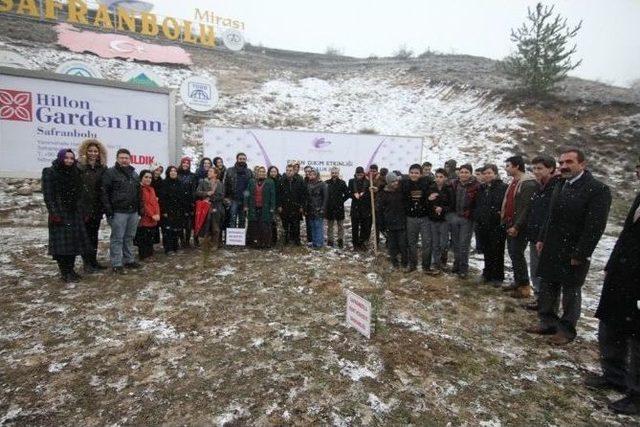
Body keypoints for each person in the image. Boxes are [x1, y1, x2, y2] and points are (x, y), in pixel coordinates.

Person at [526, 148, 611, 345]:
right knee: (548, 286)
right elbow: (551, 216)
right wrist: (542, 238)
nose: (564, 166)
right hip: (552, 245)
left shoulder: (597, 189)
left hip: (573, 249)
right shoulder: (560, 184)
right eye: (562, 162)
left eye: (569, 162)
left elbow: (595, 226)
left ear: (582, 164)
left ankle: (566, 330)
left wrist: (581, 253)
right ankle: (547, 322)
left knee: (571, 291)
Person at [585, 167, 640, 415]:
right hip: (623, 275)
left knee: (637, 337)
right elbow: (627, 237)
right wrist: (611, 265)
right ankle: (614, 375)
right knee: (611, 324)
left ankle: (636, 394)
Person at [42, 149, 92, 282]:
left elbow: (81, 193)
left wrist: (84, 211)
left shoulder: (76, 172)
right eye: (66, 158)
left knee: (74, 244)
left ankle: (71, 270)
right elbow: (48, 196)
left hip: (75, 212)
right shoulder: (50, 172)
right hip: (60, 213)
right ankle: (65, 271)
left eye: (71, 158)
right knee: (62, 246)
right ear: (60, 158)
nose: (69, 160)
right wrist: (54, 213)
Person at [523, 155, 560, 310]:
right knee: (536, 269)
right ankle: (539, 298)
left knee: (545, 272)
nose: (536, 171)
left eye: (540, 168)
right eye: (534, 168)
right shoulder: (540, 186)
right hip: (535, 234)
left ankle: (548, 304)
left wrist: (543, 236)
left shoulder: (556, 187)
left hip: (546, 237)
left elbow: (551, 215)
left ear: (551, 169)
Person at [501, 155, 538, 298]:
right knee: (513, 253)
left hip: (519, 226)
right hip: (510, 222)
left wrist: (517, 226)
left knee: (517, 253)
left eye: (508, 165)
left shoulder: (528, 183)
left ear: (517, 166)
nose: (506, 168)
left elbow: (526, 208)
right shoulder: (514, 181)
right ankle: (518, 281)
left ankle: (524, 286)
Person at [101, 148, 141, 274]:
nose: (124, 160)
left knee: (129, 237)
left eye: (126, 158)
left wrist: (139, 209)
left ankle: (129, 260)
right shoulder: (110, 173)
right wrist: (108, 210)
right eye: (122, 158)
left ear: (130, 159)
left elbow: (138, 193)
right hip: (118, 212)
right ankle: (117, 263)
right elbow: (104, 192)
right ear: (117, 159)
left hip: (133, 212)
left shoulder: (134, 174)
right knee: (117, 238)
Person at [473, 164, 508, 286]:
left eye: (489, 173)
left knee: (497, 251)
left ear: (495, 173)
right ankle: (487, 273)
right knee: (487, 250)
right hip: (483, 224)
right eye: (485, 173)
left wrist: (499, 215)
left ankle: (498, 277)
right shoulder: (482, 188)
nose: (487, 175)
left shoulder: (503, 187)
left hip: (496, 224)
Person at [77, 138, 108, 272]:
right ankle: (87, 263)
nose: (93, 153)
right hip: (84, 207)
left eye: (95, 151)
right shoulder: (79, 167)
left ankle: (93, 261)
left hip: (96, 207)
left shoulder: (102, 168)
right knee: (86, 236)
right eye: (90, 151)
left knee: (94, 235)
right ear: (85, 151)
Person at [448, 163, 479, 279]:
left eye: (466, 172)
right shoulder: (454, 184)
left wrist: (471, 214)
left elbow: (477, 203)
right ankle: (456, 264)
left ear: (471, 173)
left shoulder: (476, 186)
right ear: (458, 173)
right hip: (455, 216)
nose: (464, 174)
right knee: (455, 243)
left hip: (467, 218)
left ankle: (463, 268)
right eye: (462, 172)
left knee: (464, 244)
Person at [402, 163, 431, 273]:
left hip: (424, 217)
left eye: (416, 173)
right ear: (409, 173)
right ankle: (412, 264)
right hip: (411, 218)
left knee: (427, 242)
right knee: (411, 242)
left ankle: (426, 266)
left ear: (421, 174)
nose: (414, 175)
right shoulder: (404, 184)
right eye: (412, 173)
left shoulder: (427, 183)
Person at [426, 168, 454, 274]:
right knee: (435, 242)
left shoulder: (449, 189)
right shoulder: (431, 188)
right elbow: (426, 203)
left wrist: (442, 208)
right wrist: (429, 200)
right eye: (437, 176)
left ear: (445, 178)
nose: (438, 179)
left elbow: (451, 205)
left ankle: (443, 261)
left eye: (441, 177)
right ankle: (435, 263)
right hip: (433, 219)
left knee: (444, 243)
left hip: (444, 220)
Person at [158, 166, 189, 255]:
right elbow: (162, 198)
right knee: (168, 231)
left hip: (178, 211)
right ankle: (168, 249)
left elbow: (183, 197)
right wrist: (164, 211)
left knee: (177, 230)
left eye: (175, 171)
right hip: (167, 211)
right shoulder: (164, 183)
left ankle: (175, 247)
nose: (173, 172)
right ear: (168, 172)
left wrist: (184, 209)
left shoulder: (180, 183)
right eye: (171, 171)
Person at [379, 172, 407, 268]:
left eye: (396, 181)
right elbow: (380, 210)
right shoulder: (383, 194)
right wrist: (382, 225)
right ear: (388, 183)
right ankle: (394, 262)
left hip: (401, 221)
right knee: (392, 245)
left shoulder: (401, 190)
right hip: (390, 223)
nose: (395, 183)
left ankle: (404, 262)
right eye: (392, 182)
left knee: (403, 244)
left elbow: (406, 178)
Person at [246, 166, 276, 248]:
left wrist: (272, 207)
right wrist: (246, 205)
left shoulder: (270, 182)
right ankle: (255, 243)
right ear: (257, 173)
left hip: (265, 207)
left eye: (263, 172)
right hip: (253, 207)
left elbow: (272, 195)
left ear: (265, 173)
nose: (261, 173)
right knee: (254, 225)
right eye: (260, 171)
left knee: (265, 226)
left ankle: (265, 243)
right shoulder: (251, 181)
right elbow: (247, 193)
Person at [195, 167, 225, 248]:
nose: (208, 172)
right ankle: (206, 244)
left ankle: (215, 243)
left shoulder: (220, 184)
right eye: (208, 171)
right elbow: (197, 192)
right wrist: (207, 193)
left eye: (211, 171)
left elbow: (222, 196)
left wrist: (211, 198)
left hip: (217, 207)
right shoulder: (203, 182)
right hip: (205, 207)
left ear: (215, 174)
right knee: (205, 225)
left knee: (215, 226)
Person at [278, 164, 307, 246]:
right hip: (285, 207)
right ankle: (286, 240)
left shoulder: (299, 180)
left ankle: (297, 240)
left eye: (290, 170)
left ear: (294, 171)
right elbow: (279, 194)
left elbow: (303, 194)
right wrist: (279, 205)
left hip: (296, 207)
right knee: (286, 225)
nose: (289, 172)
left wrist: (302, 206)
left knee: (296, 225)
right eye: (287, 170)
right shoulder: (282, 180)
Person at [134, 170, 160, 260]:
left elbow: (155, 203)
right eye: (146, 177)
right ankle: (144, 255)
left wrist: (157, 213)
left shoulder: (151, 189)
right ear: (141, 177)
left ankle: (149, 254)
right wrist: (151, 215)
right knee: (144, 237)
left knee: (150, 237)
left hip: (153, 218)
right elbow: (144, 204)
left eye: (150, 177)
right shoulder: (140, 189)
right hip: (145, 217)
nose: (148, 179)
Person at [224, 152, 253, 228]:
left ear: (246, 160)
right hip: (233, 199)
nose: (242, 160)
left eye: (244, 159)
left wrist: (249, 200)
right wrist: (226, 198)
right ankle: (232, 239)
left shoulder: (249, 172)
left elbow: (251, 188)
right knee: (232, 219)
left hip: (244, 201)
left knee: (242, 220)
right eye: (240, 159)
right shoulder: (229, 170)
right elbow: (225, 185)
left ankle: (241, 239)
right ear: (237, 159)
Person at [348, 166, 373, 251]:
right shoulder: (351, 181)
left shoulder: (368, 182)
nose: (359, 176)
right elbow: (349, 192)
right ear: (355, 174)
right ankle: (355, 244)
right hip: (355, 207)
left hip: (365, 208)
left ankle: (362, 243)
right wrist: (354, 195)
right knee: (354, 227)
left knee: (364, 227)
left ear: (363, 174)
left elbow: (370, 195)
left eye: (361, 174)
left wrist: (363, 195)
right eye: (358, 175)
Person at [325, 167, 350, 248]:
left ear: (338, 173)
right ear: (330, 174)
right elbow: (324, 195)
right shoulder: (326, 183)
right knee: (330, 226)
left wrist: (341, 201)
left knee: (340, 226)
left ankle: (340, 240)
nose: (334, 174)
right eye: (333, 173)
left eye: (336, 173)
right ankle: (330, 241)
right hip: (330, 207)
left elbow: (347, 194)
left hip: (339, 207)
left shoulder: (342, 183)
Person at [306, 168, 328, 249]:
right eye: (310, 174)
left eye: (313, 174)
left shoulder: (322, 184)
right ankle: (314, 243)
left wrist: (322, 208)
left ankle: (319, 244)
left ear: (317, 175)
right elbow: (307, 198)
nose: (311, 176)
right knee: (312, 226)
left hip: (319, 209)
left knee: (318, 226)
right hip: (310, 209)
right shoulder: (308, 184)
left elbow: (325, 198)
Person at [177, 157, 197, 248]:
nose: (185, 164)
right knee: (180, 223)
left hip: (189, 202)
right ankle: (181, 240)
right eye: (184, 163)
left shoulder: (193, 176)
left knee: (188, 224)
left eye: (187, 163)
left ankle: (188, 241)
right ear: (181, 164)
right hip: (179, 202)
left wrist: (193, 201)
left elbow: (193, 190)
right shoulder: (176, 174)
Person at [268, 166, 281, 245]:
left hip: (277, 205)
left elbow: (281, 195)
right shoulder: (267, 181)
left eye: (275, 171)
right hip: (268, 205)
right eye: (272, 171)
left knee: (275, 223)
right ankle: (269, 239)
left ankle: (275, 240)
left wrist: (279, 205)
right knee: (269, 223)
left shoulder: (280, 181)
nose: (273, 173)